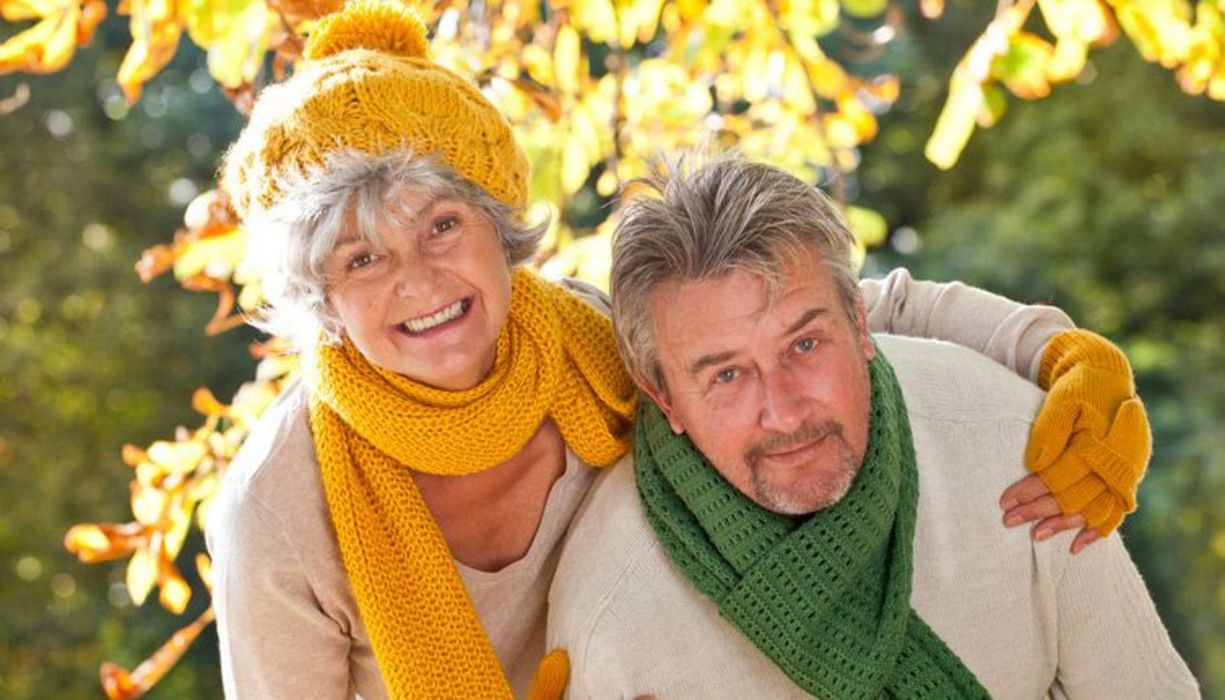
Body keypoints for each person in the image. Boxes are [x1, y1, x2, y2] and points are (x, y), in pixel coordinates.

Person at [205, 2, 1155, 697]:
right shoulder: (278, 514)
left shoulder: (587, 341)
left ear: (498, 224)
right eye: (361, 257)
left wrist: (1058, 356)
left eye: (443, 224)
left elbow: (835, 310)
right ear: (317, 295)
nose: (417, 281)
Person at [547, 156, 1198, 698]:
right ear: (665, 400)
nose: (784, 412)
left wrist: (1051, 347)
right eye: (725, 377)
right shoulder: (613, 623)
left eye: (804, 346)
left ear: (860, 325)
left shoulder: (1017, 446)